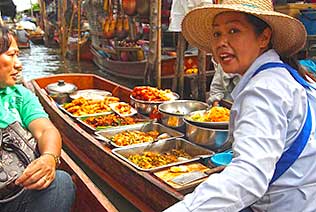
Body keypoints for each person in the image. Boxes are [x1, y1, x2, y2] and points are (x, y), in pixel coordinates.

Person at [164, 0, 316, 211]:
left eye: (234, 30)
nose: (221, 42)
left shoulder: (263, 90)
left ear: (264, 37)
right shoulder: (288, 76)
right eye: (217, 34)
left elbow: (248, 177)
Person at [0, 26, 75, 211]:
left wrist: (49, 158)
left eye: (18, 55)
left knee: (62, 183)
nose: (19, 64)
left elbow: (46, 130)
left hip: (19, 194)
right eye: (11, 55)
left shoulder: (19, 95)